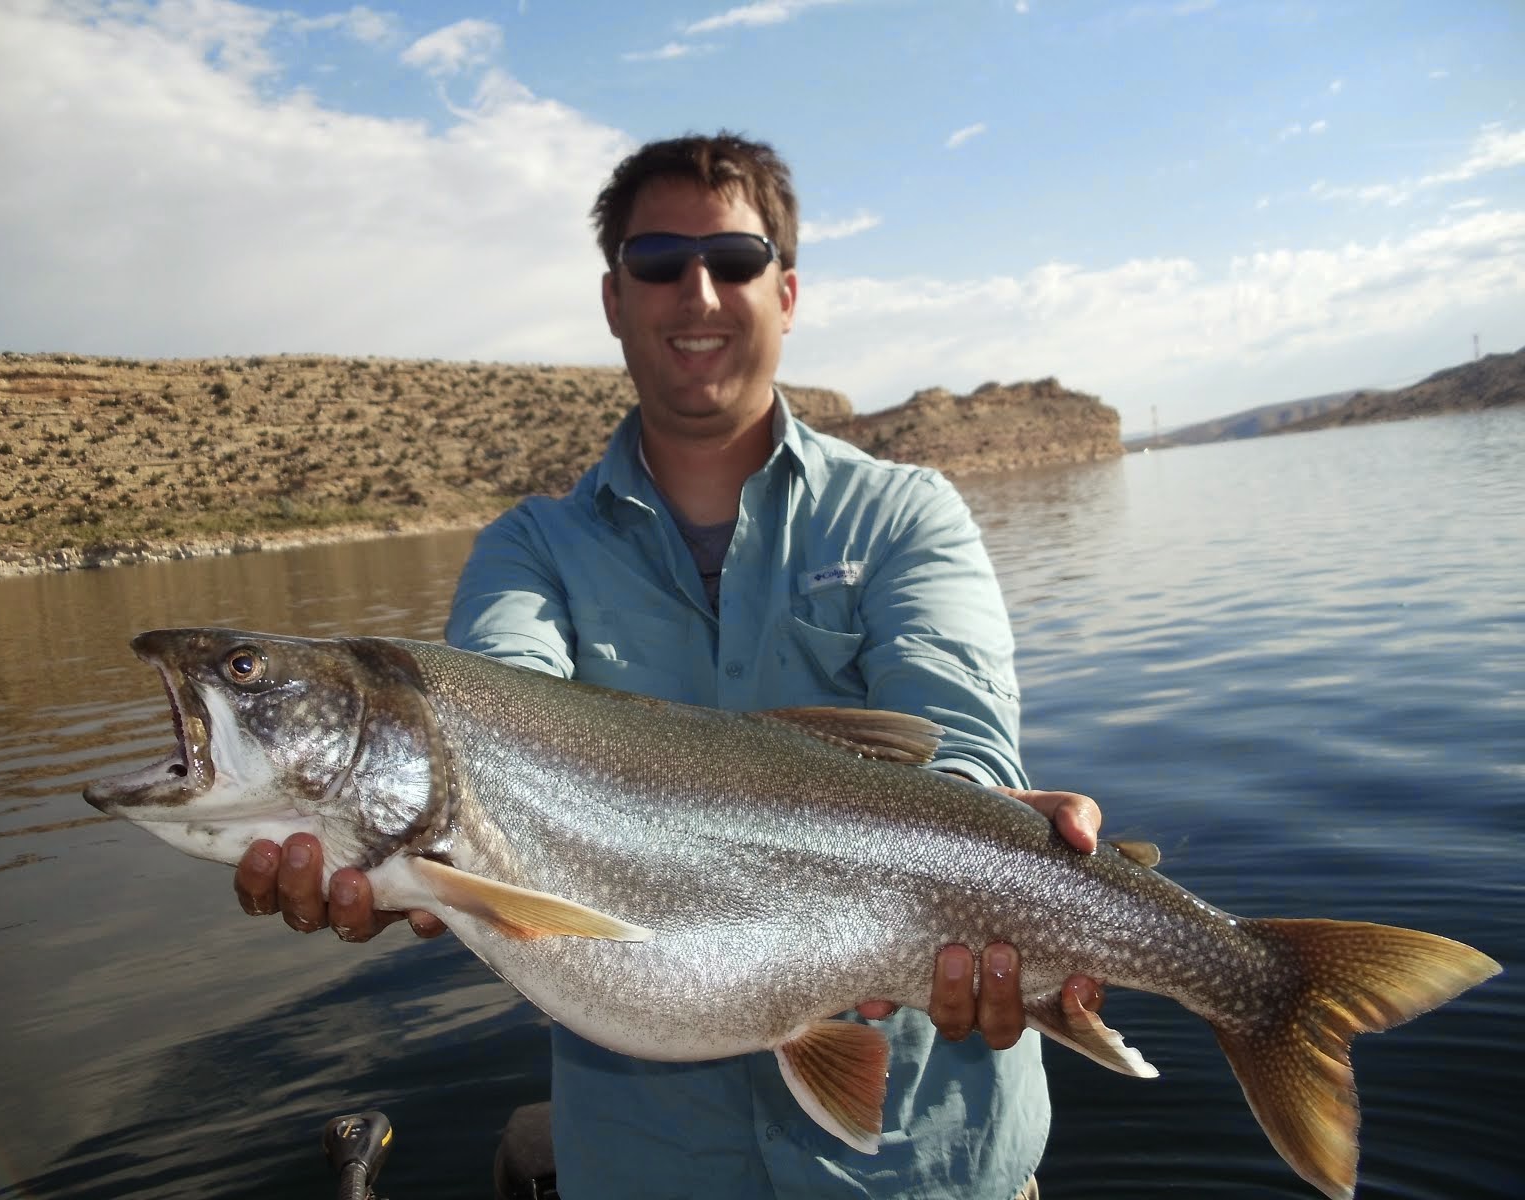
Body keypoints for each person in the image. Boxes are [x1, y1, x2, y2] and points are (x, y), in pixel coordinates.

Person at [235, 131, 1105, 1199]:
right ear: (614, 297)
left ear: (785, 292)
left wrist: (989, 860)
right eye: (658, 263)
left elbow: (960, 738)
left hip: (932, 1165)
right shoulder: (529, 550)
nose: (697, 293)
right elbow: (490, 720)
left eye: (733, 262)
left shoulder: (903, 513)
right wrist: (371, 842)